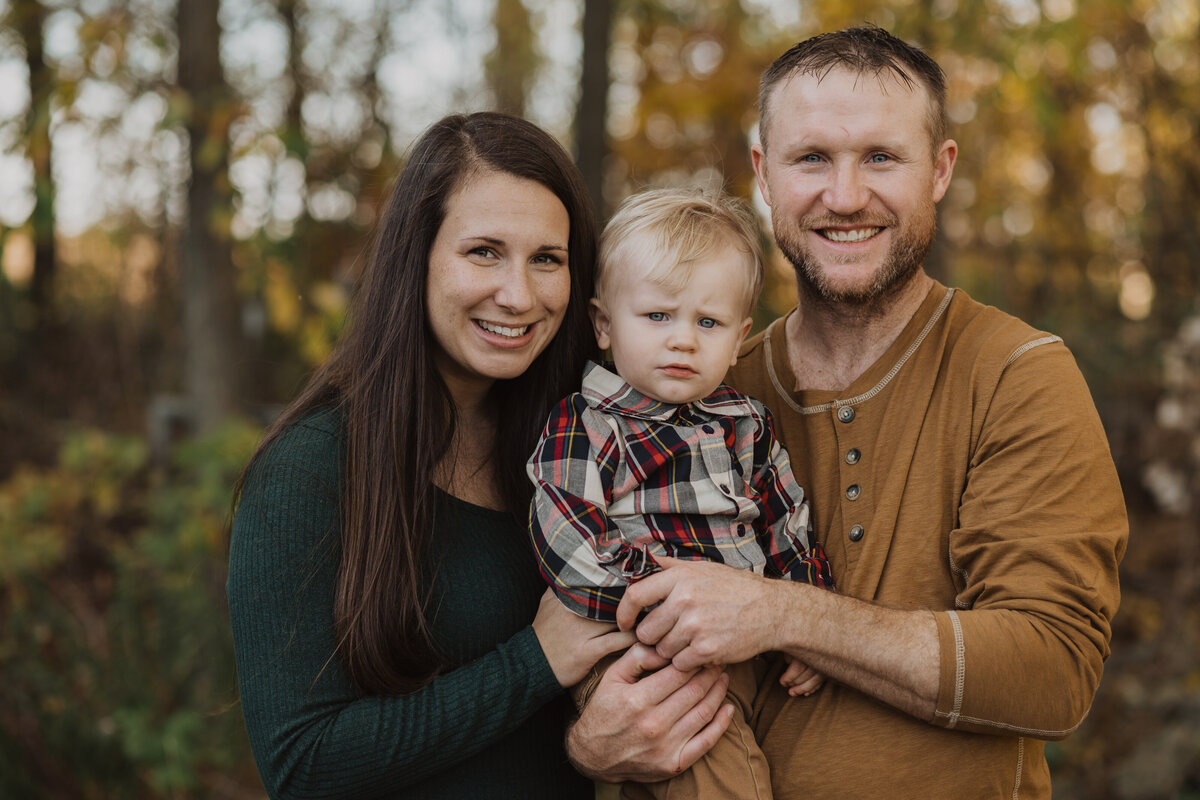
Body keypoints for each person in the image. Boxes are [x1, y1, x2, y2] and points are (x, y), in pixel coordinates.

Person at [566, 26, 1128, 798]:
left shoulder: (1015, 374)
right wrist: (588, 742)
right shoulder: (699, 387)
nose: (845, 196)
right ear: (764, 174)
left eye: (881, 157)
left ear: (941, 169)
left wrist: (784, 615)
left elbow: (1053, 668)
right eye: (812, 158)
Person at [226, 111, 641, 799]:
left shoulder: (581, 441)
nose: (519, 295)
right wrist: (533, 662)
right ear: (416, 257)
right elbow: (302, 766)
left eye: (547, 259)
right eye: (483, 252)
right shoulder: (310, 471)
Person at [527, 188, 834, 799]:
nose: (683, 340)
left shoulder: (745, 420)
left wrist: (802, 617)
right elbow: (568, 534)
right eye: (658, 316)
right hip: (644, 650)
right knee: (720, 773)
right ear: (604, 324)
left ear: (740, 333)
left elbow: (785, 521)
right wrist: (664, 607)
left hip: (745, 640)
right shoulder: (587, 423)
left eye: (709, 322)